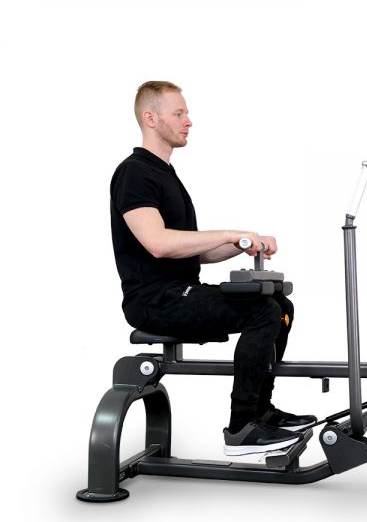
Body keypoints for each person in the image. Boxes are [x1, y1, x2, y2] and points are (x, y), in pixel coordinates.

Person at [110, 80, 316, 456]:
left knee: (279, 306)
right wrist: (229, 233)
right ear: (150, 118)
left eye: (186, 113)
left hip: (179, 292)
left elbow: (193, 253)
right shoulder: (134, 173)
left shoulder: (165, 174)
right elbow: (158, 243)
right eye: (179, 113)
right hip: (155, 300)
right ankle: (242, 428)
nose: (188, 121)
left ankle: (261, 411)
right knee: (262, 311)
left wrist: (242, 245)